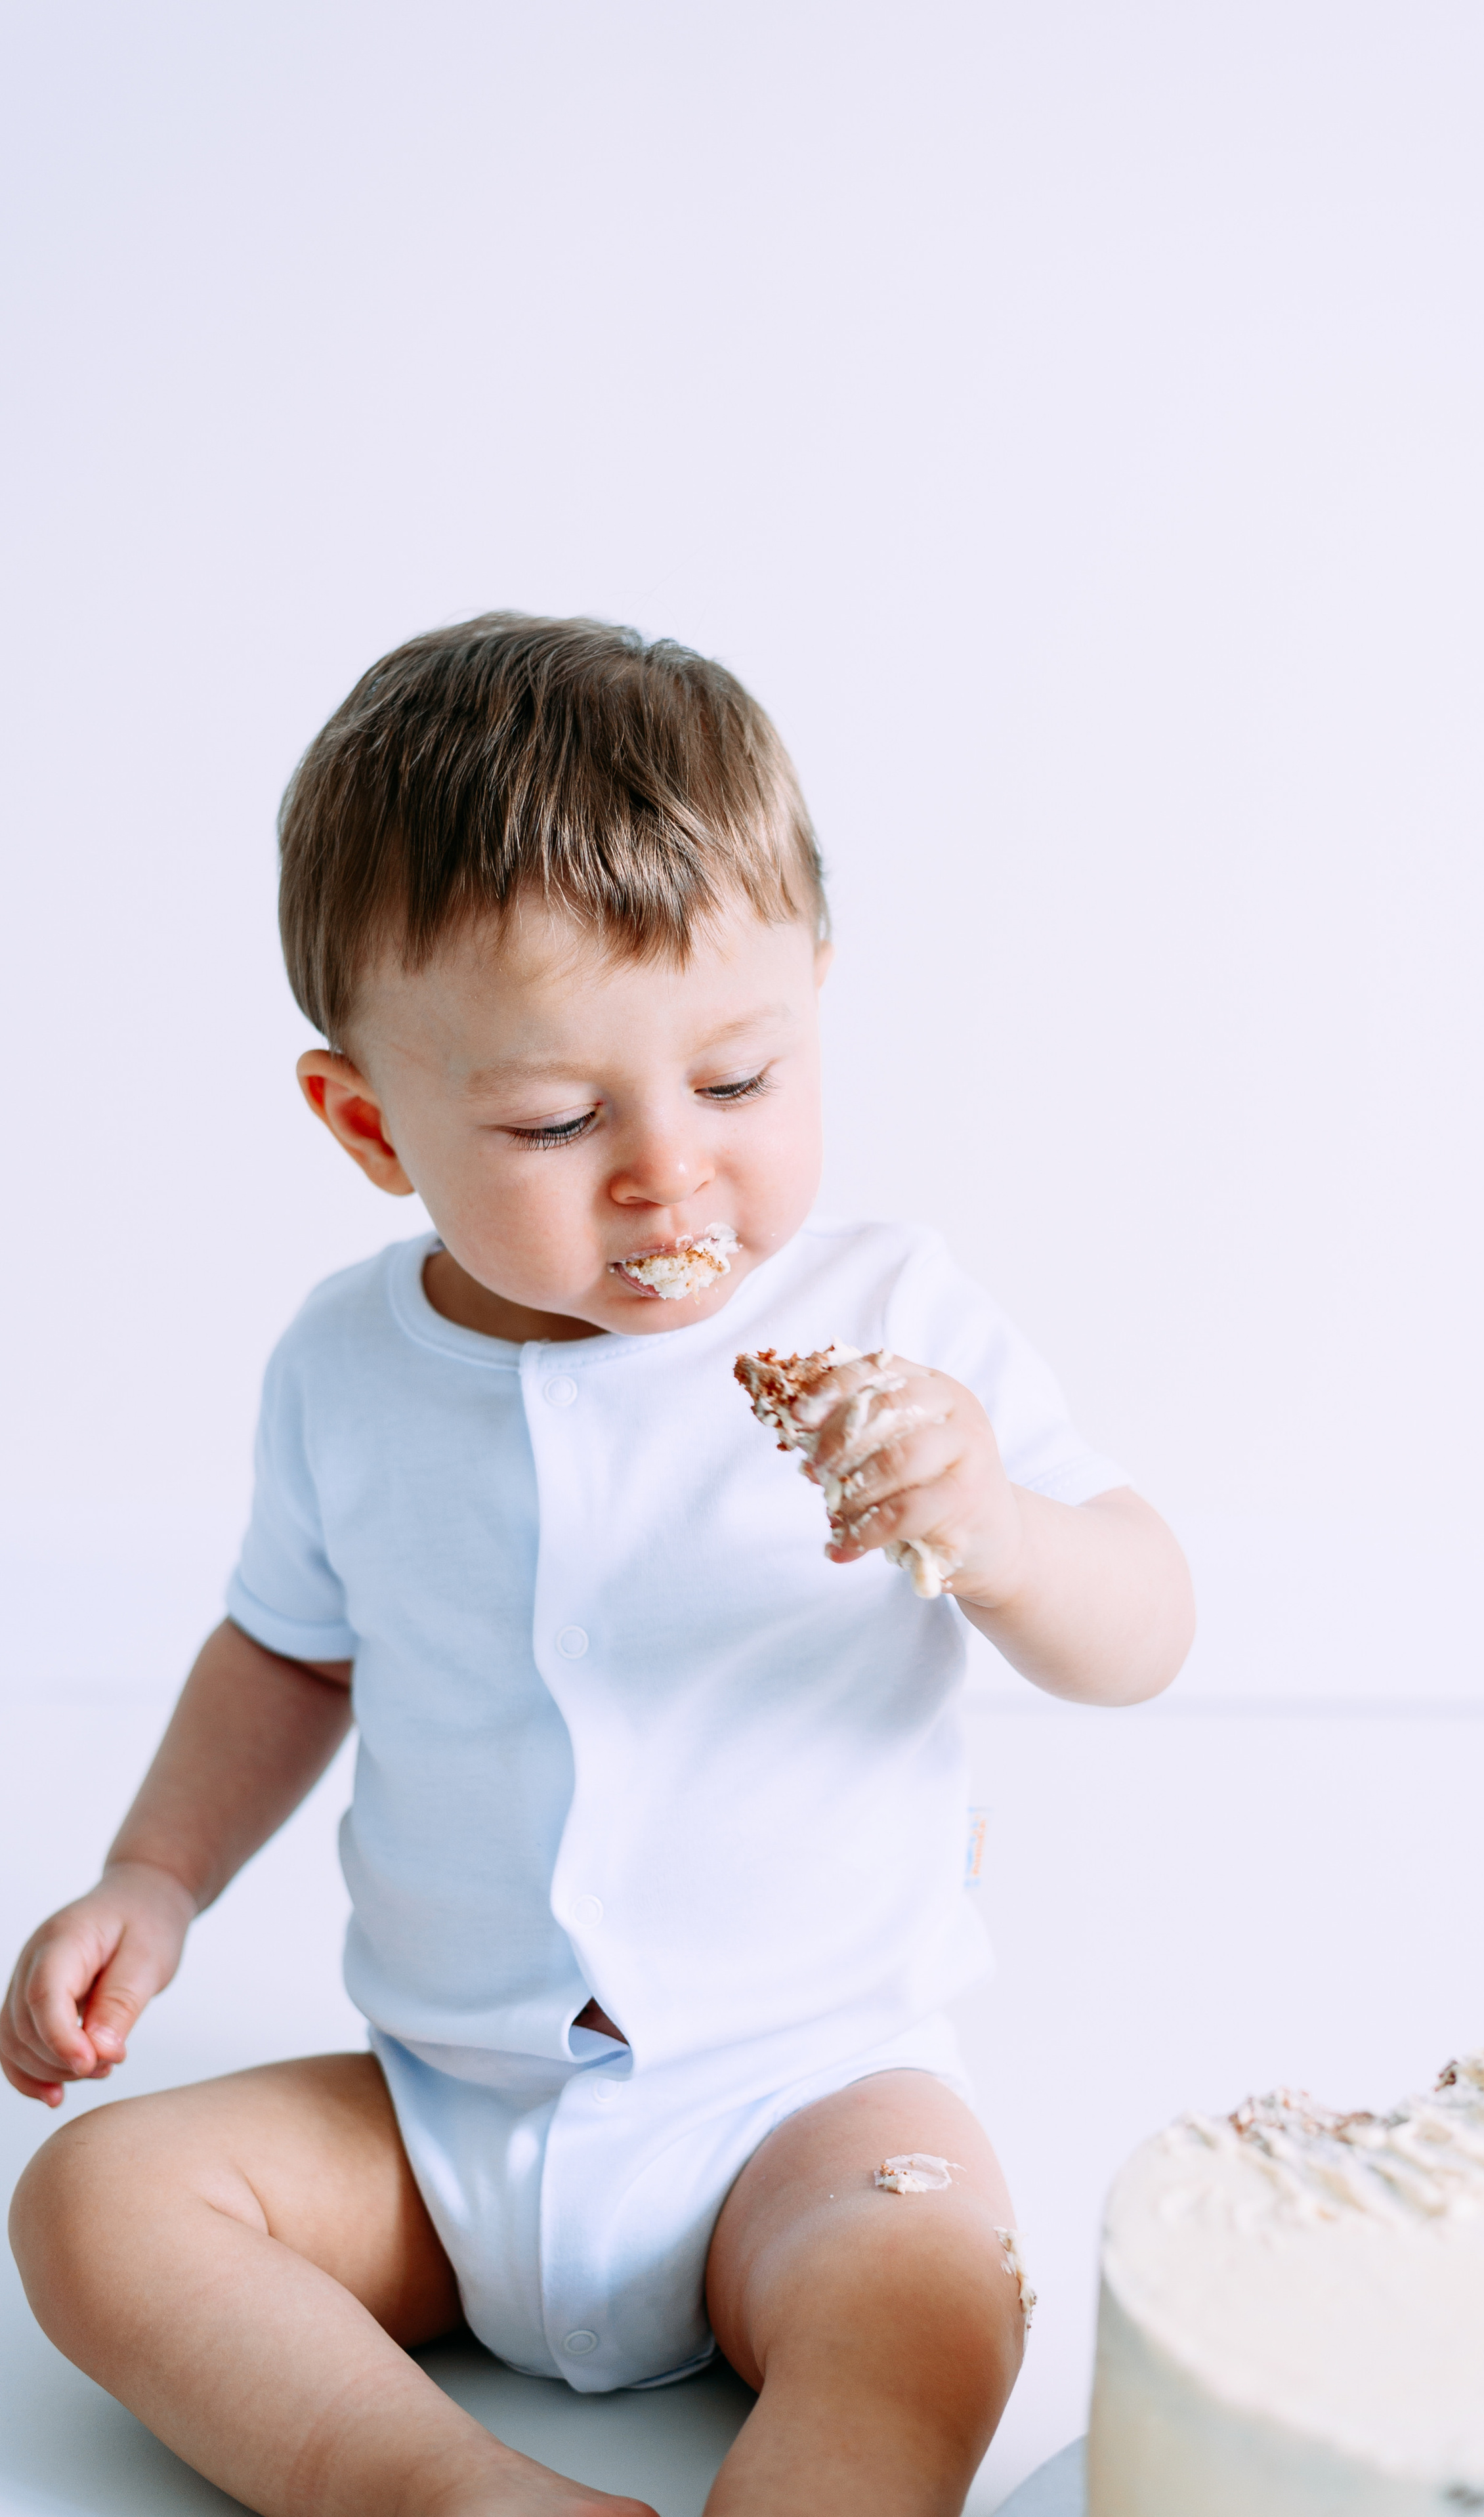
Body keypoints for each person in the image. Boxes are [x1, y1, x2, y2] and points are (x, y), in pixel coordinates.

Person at [4, 616, 1195, 2517]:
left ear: (816, 994)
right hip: (446, 2107)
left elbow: (1145, 1621)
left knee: (932, 2294)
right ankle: (434, 2484)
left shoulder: (898, 1321)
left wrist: (1005, 1535)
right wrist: (154, 1874)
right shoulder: (345, 1368)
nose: (670, 1173)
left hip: (810, 2098)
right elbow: (286, 1653)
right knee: (94, 2202)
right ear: (368, 1123)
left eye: (739, 1078)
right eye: (558, 1119)